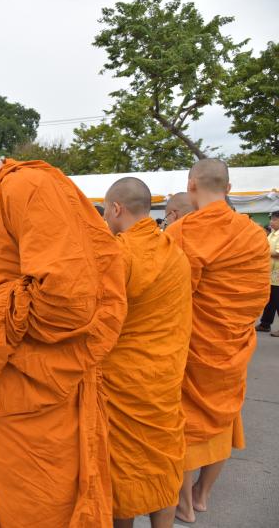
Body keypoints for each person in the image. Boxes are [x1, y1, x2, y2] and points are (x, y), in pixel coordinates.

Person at [0, 116, 127, 527]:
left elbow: (68, 302)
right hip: (6, 399)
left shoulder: (28, 188)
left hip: (37, 406)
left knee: (42, 513)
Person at [165, 159, 271, 523]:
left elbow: (172, 298)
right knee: (224, 415)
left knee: (184, 418)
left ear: (191, 185)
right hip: (233, 340)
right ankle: (203, 495)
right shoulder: (254, 234)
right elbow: (259, 296)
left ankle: (183, 502)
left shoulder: (183, 231)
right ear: (228, 189)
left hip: (194, 344)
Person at [102, 177, 192, 528]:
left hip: (125, 379)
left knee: (124, 469)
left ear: (116, 208)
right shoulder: (174, 251)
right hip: (164, 375)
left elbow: (94, 317)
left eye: (106, 212)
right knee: (162, 459)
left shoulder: (118, 254)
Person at [256, 210, 279, 335]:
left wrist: (263, 252)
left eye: (274, 219)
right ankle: (265, 324)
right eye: (271, 219)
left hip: (277, 273)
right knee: (270, 300)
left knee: (277, 300)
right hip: (271, 273)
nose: (271, 222)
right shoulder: (272, 234)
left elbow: (277, 253)